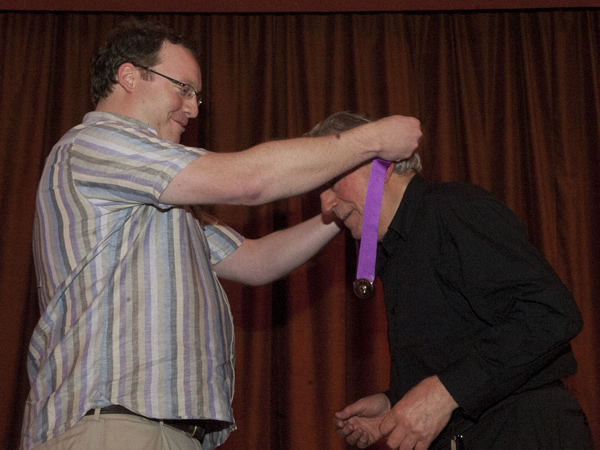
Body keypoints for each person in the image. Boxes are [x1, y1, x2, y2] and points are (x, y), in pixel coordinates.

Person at [21, 21, 422, 450]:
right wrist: (373, 139)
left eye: (196, 95)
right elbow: (249, 180)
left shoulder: (161, 197)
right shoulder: (95, 144)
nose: (193, 109)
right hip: (112, 427)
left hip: (160, 432)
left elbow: (256, 260)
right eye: (183, 88)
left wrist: (338, 215)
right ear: (129, 76)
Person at [306, 111, 594, 449]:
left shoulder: (452, 211)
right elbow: (466, 350)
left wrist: (444, 393)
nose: (325, 204)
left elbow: (551, 314)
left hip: (524, 431)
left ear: (379, 167)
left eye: (332, 180)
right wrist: (393, 405)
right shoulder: (399, 250)